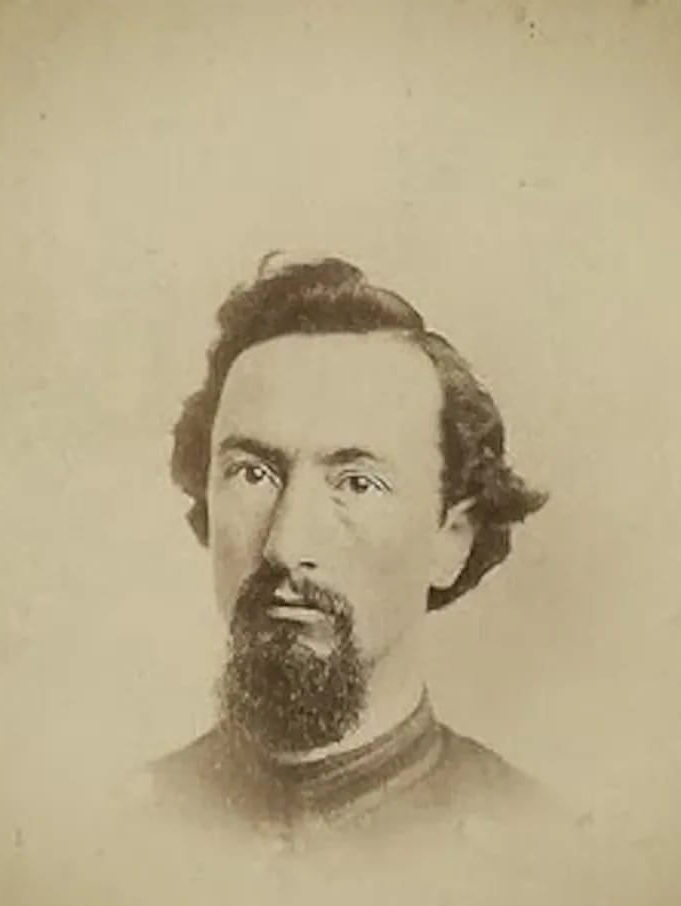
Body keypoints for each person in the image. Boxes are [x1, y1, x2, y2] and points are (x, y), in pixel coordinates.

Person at [151, 254, 550, 839]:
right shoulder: (113, 831)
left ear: (452, 540)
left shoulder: (541, 843)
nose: (286, 546)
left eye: (357, 484)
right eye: (253, 474)